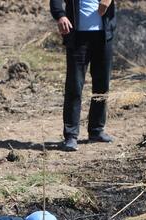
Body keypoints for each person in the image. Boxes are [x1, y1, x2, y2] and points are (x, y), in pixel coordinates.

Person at [49, 0, 115, 152]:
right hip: (77, 38)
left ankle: (96, 131)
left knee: (102, 85)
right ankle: (71, 136)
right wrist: (60, 16)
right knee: (74, 86)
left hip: (104, 36)